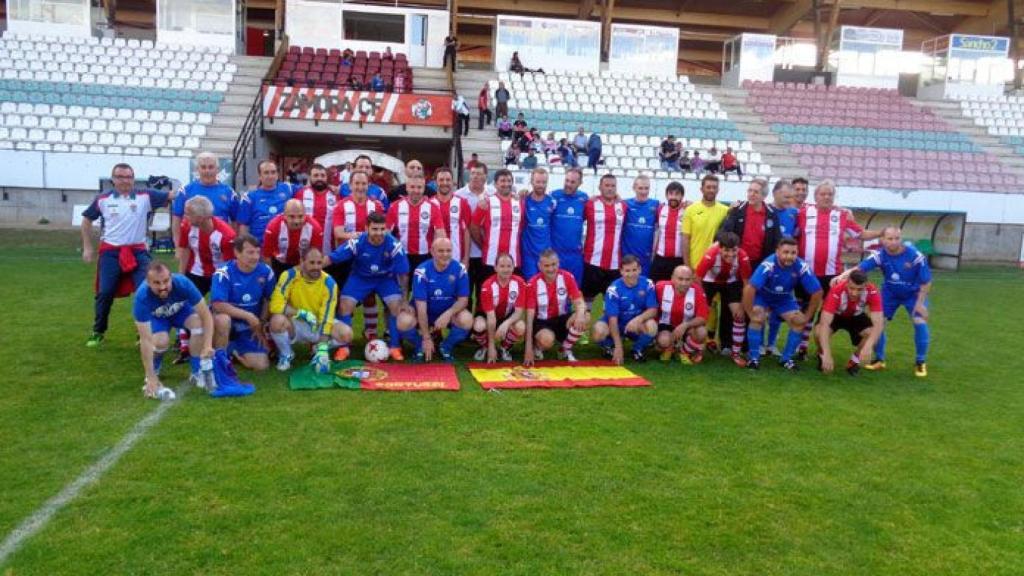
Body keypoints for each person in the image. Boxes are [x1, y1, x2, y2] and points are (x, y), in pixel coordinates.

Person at [81, 163, 172, 347]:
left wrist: (194, 187)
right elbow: (86, 220)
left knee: (146, 290)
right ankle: (98, 331)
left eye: (129, 177)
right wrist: (87, 247)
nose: (125, 180)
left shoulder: (145, 195)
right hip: (110, 252)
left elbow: (172, 196)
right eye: (120, 177)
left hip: (138, 251)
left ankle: (144, 333)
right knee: (105, 292)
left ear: (133, 178)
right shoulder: (103, 199)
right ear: (113, 179)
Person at [794, 180, 880, 357]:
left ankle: (821, 346)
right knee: (805, 310)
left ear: (834, 197)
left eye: (830, 194)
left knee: (829, 310)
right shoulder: (803, 212)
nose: (826, 197)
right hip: (806, 272)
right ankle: (801, 346)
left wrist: (882, 233)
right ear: (815, 196)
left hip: (832, 274)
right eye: (822, 194)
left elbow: (861, 234)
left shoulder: (841, 215)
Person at [836, 226, 932, 377]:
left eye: (897, 238)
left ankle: (920, 362)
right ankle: (879, 359)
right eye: (890, 238)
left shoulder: (915, 255)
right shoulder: (880, 255)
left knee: (919, 322)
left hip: (914, 294)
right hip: (890, 293)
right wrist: (842, 276)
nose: (894, 242)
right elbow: (860, 268)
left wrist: (920, 303)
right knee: (877, 324)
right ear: (882, 240)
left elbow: (926, 282)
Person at [327, 212, 415, 362]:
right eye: (375, 229)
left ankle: (394, 346)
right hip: (360, 278)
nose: (379, 233)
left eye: (382, 229)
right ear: (366, 228)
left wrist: (404, 299)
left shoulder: (394, 245)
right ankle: (344, 346)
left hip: (385, 279)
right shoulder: (357, 242)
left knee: (396, 306)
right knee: (344, 305)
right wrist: (308, 269)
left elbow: (404, 274)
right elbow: (332, 258)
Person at [132, 262, 214, 398]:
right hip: (157, 318)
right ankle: (154, 372)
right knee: (160, 342)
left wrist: (208, 345)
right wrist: (150, 376)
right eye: (156, 283)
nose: (163, 287)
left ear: (171, 277)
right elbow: (145, 340)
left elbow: (206, 315)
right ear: (148, 282)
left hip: (180, 312)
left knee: (198, 324)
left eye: (165, 281)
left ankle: (197, 371)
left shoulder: (183, 283)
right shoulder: (142, 297)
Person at [743, 237, 822, 371]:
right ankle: (753, 358)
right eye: (786, 252)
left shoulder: (801, 266)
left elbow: (817, 291)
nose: (789, 256)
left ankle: (786, 359)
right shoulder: (768, 264)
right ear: (777, 251)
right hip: (763, 297)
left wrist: (807, 316)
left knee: (798, 321)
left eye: (793, 253)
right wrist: (750, 313)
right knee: (757, 318)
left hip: (783, 298)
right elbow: (749, 289)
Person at [268, 247, 350, 370]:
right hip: (295, 323)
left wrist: (322, 347)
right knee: (276, 321)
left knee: (346, 334)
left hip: (317, 323)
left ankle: (317, 349)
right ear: (302, 261)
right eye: (312, 263)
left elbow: (327, 316)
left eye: (319, 263)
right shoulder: (289, 276)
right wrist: (301, 313)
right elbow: (275, 304)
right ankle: (286, 354)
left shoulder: (329, 283)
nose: (316, 267)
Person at [331, 171, 387, 339]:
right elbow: (338, 232)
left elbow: (382, 230)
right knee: (346, 297)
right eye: (357, 183)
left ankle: (370, 332)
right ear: (350, 185)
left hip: (369, 257)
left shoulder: (376, 206)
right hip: (346, 259)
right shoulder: (341, 205)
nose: (360, 187)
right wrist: (361, 236)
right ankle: (344, 335)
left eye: (364, 184)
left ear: (368, 185)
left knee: (369, 294)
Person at [210, 234, 276, 371]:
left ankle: (232, 350)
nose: (256, 257)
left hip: (249, 327)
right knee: (223, 320)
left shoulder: (266, 271)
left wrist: (262, 322)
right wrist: (249, 316)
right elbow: (218, 304)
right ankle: (220, 360)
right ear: (237, 253)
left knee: (261, 365)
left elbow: (269, 299)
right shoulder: (223, 272)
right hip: (228, 323)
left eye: (258, 252)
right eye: (250, 252)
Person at [409, 238, 473, 362]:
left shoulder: (460, 269)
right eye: (441, 251)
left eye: (448, 251)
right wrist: (426, 338)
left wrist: (448, 314)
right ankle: (420, 346)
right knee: (403, 320)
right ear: (432, 251)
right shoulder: (421, 271)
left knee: (467, 320)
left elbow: (463, 300)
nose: (445, 254)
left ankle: (445, 347)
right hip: (425, 312)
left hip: (447, 313)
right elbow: (421, 308)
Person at [696, 232, 753, 367]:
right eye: (726, 250)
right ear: (720, 248)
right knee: (701, 316)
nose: (731, 254)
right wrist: (702, 302)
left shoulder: (743, 256)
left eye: (734, 250)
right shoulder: (710, 255)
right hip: (709, 282)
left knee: (739, 316)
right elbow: (697, 280)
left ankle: (736, 353)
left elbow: (746, 284)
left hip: (730, 282)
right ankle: (697, 350)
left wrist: (742, 306)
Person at [524, 249, 588, 365]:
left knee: (585, 316)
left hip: (561, 319)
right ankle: (536, 346)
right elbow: (529, 317)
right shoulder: (533, 283)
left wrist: (580, 314)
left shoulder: (567, 277)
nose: (551, 269)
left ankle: (564, 349)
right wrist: (527, 347)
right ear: (540, 266)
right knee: (547, 340)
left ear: (558, 263)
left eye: (553, 264)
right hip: (542, 322)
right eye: (546, 265)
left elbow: (579, 302)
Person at [815, 269, 884, 376]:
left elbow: (879, 323)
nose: (854, 293)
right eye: (851, 288)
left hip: (856, 316)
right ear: (847, 283)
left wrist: (868, 347)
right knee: (818, 332)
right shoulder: (837, 290)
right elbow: (825, 324)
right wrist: (827, 354)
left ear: (866, 285)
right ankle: (822, 354)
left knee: (872, 334)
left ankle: (854, 361)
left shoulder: (872, 291)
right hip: (836, 315)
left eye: (859, 289)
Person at [592, 256, 657, 364]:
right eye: (627, 271)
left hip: (634, 325)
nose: (631, 274)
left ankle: (637, 349)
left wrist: (637, 320)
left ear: (640, 269)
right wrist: (619, 347)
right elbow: (612, 320)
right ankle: (610, 346)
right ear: (621, 271)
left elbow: (653, 310)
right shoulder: (614, 289)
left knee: (652, 326)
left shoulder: (648, 284)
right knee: (598, 332)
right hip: (616, 323)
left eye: (634, 270)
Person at [471, 253, 527, 363]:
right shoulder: (487, 286)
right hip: (487, 316)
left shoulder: (520, 282)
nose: (506, 269)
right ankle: (486, 347)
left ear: (513, 267)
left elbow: (518, 312)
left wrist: (506, 324)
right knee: (478, 326)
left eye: (509, 266)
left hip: (506, 316)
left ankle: (503, 348)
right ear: (495, 268)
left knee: (521, 326)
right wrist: (492, 346)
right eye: (502, 266)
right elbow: (491, 317)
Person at [171, 152, 235, 247]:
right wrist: (178, 245)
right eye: (203, 167)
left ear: (217, 169)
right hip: (193, 247)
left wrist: (233, 244)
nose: (207, 171)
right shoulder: (185, 191)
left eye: (210, 167)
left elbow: (236, 222)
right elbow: (177, 219)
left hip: (220, 246)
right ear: (197, 169)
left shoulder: (229, 193)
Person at [582, 174, 627, 306]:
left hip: (614, 263)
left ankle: (607, 326)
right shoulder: (590, 204)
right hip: (593, 261)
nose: (610, 189)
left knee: (611, 302)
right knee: (588, 301)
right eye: (607, 185)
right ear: (600, 187)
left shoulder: (623, 206)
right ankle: (585, 325)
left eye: (613, 186)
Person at [472, 169, 524, 281]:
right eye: (503, 181)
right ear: (495, 184)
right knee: (489, 294)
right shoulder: (486, 202)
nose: (506, 184)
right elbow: (474, 226)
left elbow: (522, 227)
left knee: (513, 294)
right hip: (491, 259)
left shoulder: (519, 202)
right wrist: (483, 244)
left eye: (509, 181)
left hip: (513, 260)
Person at [177, 196, 235, 295]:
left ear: (200, 218)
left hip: (218, 272)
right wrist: (181, 274)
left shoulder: (227, 235)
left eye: (188, 214)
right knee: (187, 305)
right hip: (195, 271)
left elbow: (229, 264)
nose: (184, 217)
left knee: (219, 305)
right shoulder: (186, 225)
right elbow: (185, 248)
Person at [387, 176, 446, 272]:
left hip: (425, 255)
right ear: (406, 187)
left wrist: (438, 255)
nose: (416, 190)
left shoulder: (433, 207)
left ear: (424, 189)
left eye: (419, 187)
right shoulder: (395, 206)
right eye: (412, 187)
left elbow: (440, 234)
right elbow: (386, 233)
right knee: (403, 284)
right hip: (402, 254)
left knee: (422, 284)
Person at [455, 162, 496, 299]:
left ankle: (481, 319)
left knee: (482, 293)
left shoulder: (493, 193)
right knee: (464, 294)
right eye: (473, 173)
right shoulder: (458, 195)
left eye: (479, 174)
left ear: (486, 176)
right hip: (464, 253)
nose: (475, 177)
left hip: (485, 254)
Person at [718, 178, 781, 265]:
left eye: (756, 192)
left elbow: (777, 240)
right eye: (750, 191)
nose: (751, 194)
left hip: (760, 263)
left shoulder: (771, 214)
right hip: (736, 262)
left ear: (764, 196)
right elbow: (723, 233)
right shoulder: (737, 210)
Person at [654, 265, 709, 364]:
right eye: (680, 279)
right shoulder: (660, 287)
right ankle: (669, 348)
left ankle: (684, 351)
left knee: (702, 332)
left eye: (687, 280)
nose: (684, 283)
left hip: (687, 327)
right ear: (672, 278)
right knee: (663, 341)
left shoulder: (698, 291)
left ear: (692, 280)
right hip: (666, 326)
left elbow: (703, 318)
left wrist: (685, 325)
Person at [262, 199, 324, 277]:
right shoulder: (273, 227)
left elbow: (315, 256)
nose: (296, 221)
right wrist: (271, 277)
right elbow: (267, 256)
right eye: (292, 216)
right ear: (284, 215)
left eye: (300, 216)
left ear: (305, 215)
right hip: (280, 263)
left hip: (303, 265)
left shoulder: (315, 228)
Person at [237, 160, 294, 244]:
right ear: (260, 176)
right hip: (259, 248)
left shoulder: (287, 188)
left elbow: (309, 189)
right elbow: (243, 227)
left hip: (284, 246)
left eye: (273, 172)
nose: (270, 176)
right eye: (266, 173)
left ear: (277, 175)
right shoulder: (249, 198)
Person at [550, 167, 588, 286]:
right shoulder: (554, 196)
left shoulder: (584, 199)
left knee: (575, 290)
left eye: (572, 182)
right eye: (567, 180)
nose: (568, 184)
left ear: (580, 183)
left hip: (575, 255)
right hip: (556, 253)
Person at [681, 174, 728, 267]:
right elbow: (685, 240)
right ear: (701, 189)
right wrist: (687, 265)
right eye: (708, 187)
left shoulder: (725, 211)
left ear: (718, 190)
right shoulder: (690, 210)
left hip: (716, 266)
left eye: (714, 187)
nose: (711, 190)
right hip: (696, 264)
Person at [294, 163, 340, 256]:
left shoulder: (335, 195)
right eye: (316, 175)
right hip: (304, 248)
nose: (319, 178)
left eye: (322, 175)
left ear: (327, 178)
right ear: (310, 177)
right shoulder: (300, 194)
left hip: (329, 250)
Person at [432, 167, 472, 270]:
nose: (445, 183)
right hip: (434, 260)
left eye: (448, 180)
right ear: (435, 182)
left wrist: (466, 258)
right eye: (441, 180)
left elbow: (467, 232)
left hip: (456, 257)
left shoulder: (462, 203)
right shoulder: (429, 203)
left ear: (453, 182)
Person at [621, 175, 660, 276]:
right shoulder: (625, 204)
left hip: (646, 257)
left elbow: (670, 211)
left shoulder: (656, 205)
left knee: (643, 286)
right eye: (640, 188)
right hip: (627, 255)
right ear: (634, 188)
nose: (643, 192)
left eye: (646, 188)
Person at [520, 168, 554, 280]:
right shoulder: (524, 200)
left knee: (545, 287)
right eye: (538, 182)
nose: (541, 185)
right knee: (530, 285)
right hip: (528, 253)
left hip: (545, 253)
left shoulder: (552, 202)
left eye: (544, 182)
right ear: (532, 181)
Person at [650, 181, 686, 282]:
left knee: (676, 290)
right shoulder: (660, 209)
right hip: (660, 258)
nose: (673, 197)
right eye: (671, 193)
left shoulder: (687, 211)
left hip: (678, 260)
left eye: (677, 194)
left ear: (682, 196)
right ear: (666, 195)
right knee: (655, 289)